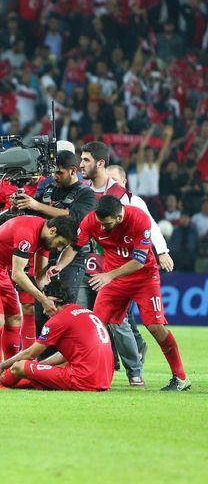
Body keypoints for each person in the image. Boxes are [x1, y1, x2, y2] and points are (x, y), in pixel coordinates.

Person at [53, 196, 191, 391]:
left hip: (144, 278)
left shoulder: (139, 219)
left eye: (106, 224)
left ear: (119, 218)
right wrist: (59, 266)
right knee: (94, 326)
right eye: (100, 223)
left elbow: (140, 260)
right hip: (114, 280)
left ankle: (180, 378)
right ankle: (83, 373)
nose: (101, 228)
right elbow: (75, 247)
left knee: (155, 327)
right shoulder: (92, 220)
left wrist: (108, 276)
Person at [79, 141, 166, 385]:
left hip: (116, 267)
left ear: (101, 164)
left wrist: (162, 251)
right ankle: (91, 366)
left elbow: (147, 226)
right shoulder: (82, 190)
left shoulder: (124, 198)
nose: (81, 165)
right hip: (86, 263)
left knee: (121, 323)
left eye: (85, 160)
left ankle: (134, 369)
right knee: (93, 319)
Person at [0, 215, 77, 389]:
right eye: (60, 243)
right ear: (53, 231)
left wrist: (48, 297)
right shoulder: (27, 232)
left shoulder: (45, 240)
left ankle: (8, 373)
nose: (60, 248)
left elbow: (38, 276)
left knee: (15, 320)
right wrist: (42, 300)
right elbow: (18, 274)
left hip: (0, 271)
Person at [12, 151, 95, 343]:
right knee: (42, 306)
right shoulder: (46, 185)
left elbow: (74, 218)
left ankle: (64, 355)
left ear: (73, 170)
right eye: (53, 173)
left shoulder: (86, 193)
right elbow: (32, 211)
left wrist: (36, 206)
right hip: (43, 250)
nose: (55, 177)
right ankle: (43, 358)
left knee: (63, 305)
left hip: (72, 255)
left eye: (60, 173)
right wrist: (21, 204)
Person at [0, 279, 113, 391]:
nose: (44, 311)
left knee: (18, 367)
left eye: (44, 302)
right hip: (104, 379)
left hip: (82, 379)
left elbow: (30, 353)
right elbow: (66, 355)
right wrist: (40, 366)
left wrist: (3, 365)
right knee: (45, 368)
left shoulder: (58, 320)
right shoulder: (86, 312)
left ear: (54, 300)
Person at [0, 173, 45, 357]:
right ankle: (2, 360)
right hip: (2, 252)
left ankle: (28, 356)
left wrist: (34, 205)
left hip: (30, 249)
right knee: (0, 313)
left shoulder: (46, 183)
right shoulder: (6, 182)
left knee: (28, 307)